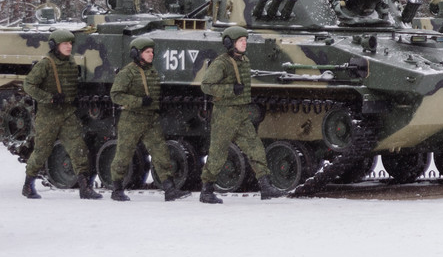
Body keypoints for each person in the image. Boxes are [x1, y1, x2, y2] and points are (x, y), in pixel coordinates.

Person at [201, 25, 284, 203]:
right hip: (225, 113)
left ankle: (265, 186)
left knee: (256, 148)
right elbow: (206, 85)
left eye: (245, 40)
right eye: (241, 41)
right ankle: (206, 190)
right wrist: (231, 90)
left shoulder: (244, 61)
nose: (245, 43)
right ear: (230, 43)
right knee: (218, 153)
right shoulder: (221, 63)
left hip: (241, 113)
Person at [20, 28, 101, 199]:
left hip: (67, 113)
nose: (69, 46)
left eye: (70, 43)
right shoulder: (45, 64)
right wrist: (49, 98)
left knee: (78, 148)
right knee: (41, 151)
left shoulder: (71, 63)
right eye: (65, 43)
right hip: (48, 115)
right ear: (54, 45)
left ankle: (84, 187)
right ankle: (28, 185)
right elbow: (29, 85)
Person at [108, 37, 184, 201]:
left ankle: (169, 188)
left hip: (150, 119)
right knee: (124, 153)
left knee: (161, 152)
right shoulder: (128, 72)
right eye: (147, 52)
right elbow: (116, 95)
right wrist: (139, 102)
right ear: (136, 53)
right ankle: (117, 188)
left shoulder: (152, 71)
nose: (151, 55)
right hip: (132, 119)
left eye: (152, 52)